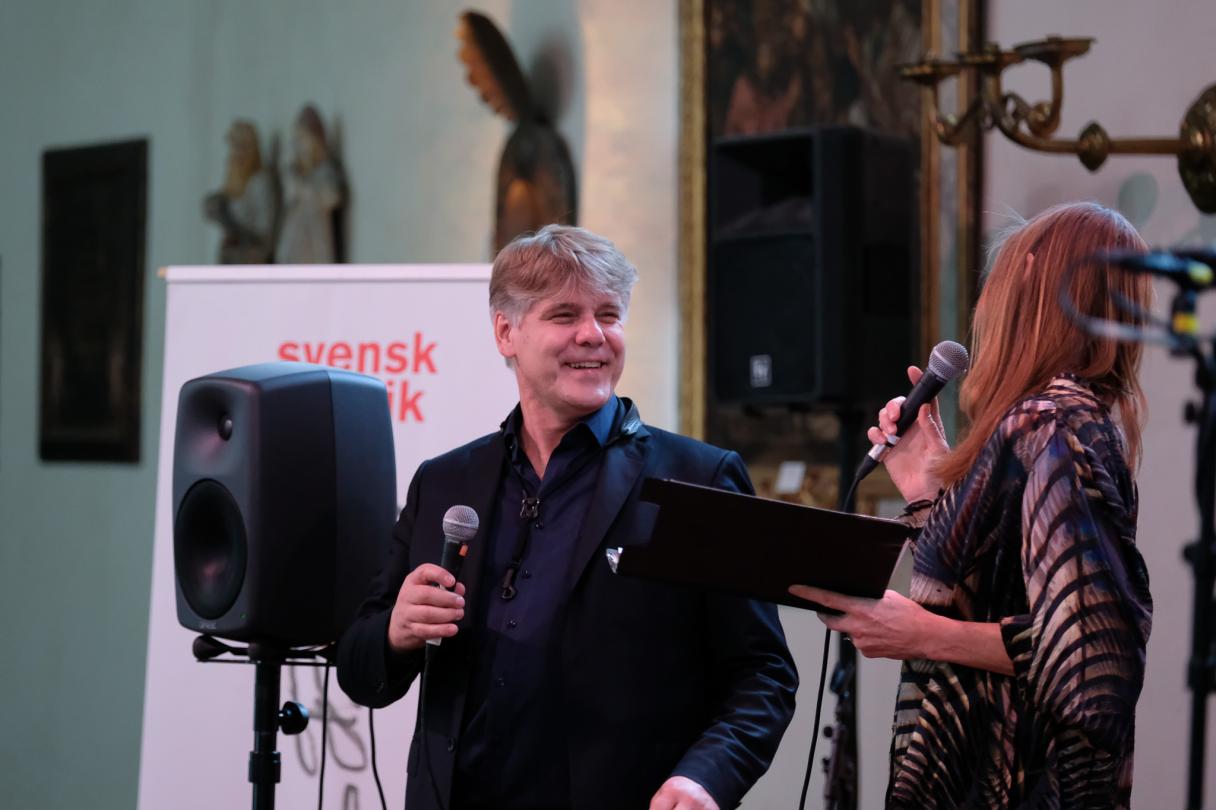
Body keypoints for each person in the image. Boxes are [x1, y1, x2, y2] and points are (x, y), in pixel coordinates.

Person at [338, 224, 798, 810]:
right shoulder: (445, 481)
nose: (594, 335)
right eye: (564, 316)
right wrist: (394, 634)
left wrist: (705, 778)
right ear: (506, 332)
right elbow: (358, 666)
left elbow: (762, 674)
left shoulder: (697, 479)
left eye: (609, 315)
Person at [791, 201, 1154, 807]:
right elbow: (1002, 592)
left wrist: (920, 632)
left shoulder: (1053, 424)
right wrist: (930, 488)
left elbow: (1094, 656)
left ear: (1034, 275)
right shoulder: (1048, 423)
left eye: (999, 277)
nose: (985, 305)